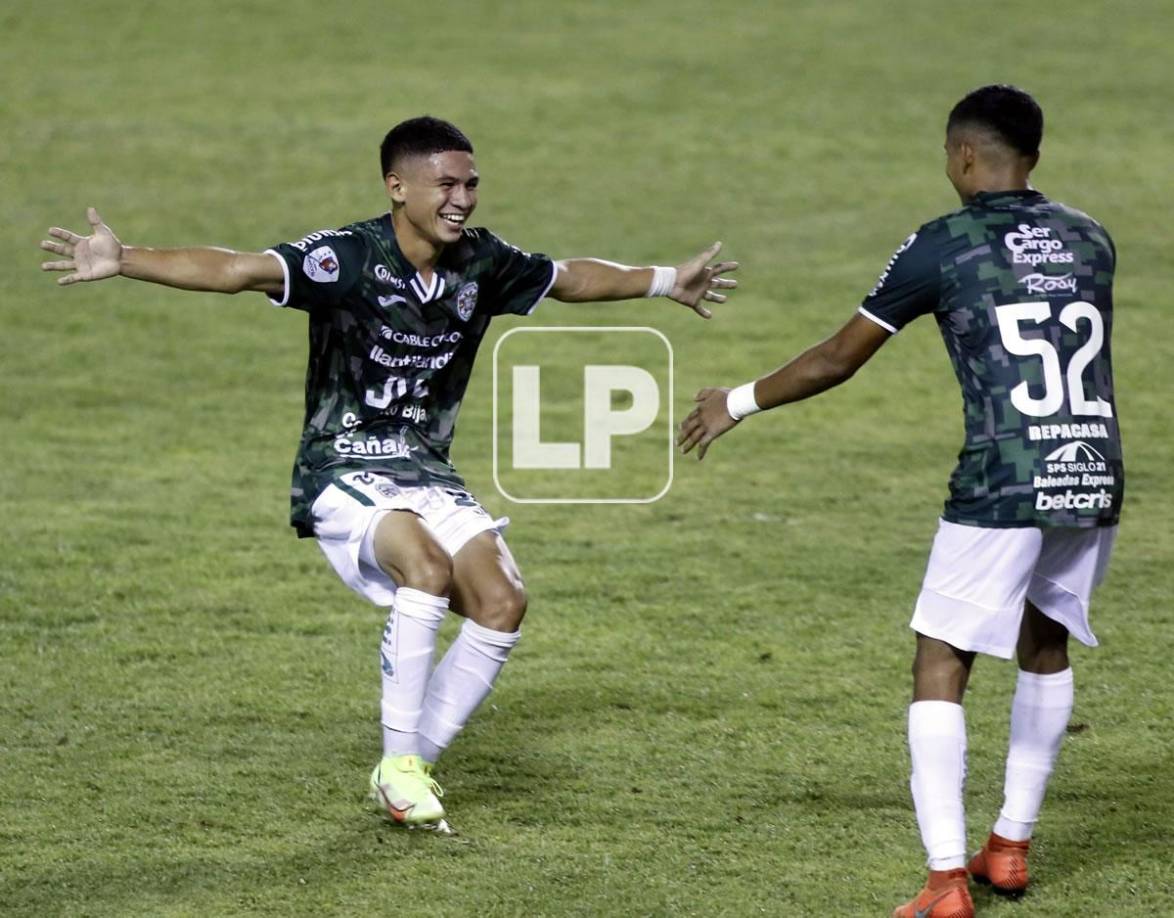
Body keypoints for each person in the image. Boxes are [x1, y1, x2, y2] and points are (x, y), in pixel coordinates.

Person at [41, 115, 738, 833]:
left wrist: (666, 281)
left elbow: (567, 279)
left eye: (470, 184)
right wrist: (125, 259)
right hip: (341, 465)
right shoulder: (348, 256)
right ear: (397, 186)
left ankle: (404, 771)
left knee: (502, 603)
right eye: (445, 184)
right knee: (426, 568)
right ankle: (402, 764)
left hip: (424, 468)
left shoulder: (481, 261)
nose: (461, 199)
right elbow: (240, 269)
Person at [677, 85, 1121, 917]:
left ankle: (948, 878)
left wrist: (733, 401)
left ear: (961, 156)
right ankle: (1011, 847)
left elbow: (837, 359)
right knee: (1044, 638)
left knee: (941, 659)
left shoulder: (943, 245)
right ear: (1036, 155)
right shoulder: (1089, 236)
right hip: (1092, 469)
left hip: (1003, 475)